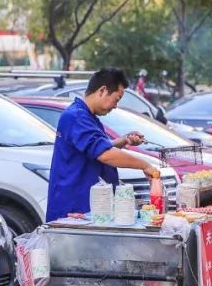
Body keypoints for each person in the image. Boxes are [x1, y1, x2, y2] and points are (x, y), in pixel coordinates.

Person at [46, 67, 160, 222]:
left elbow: (94, 149)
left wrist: (122, 140)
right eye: (117, 99)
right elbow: (105, 155)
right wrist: (145, 165)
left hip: (89, 209)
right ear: (103, 90)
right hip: (74, 209)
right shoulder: (76, 117)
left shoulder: (87, 117)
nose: (115, 106)